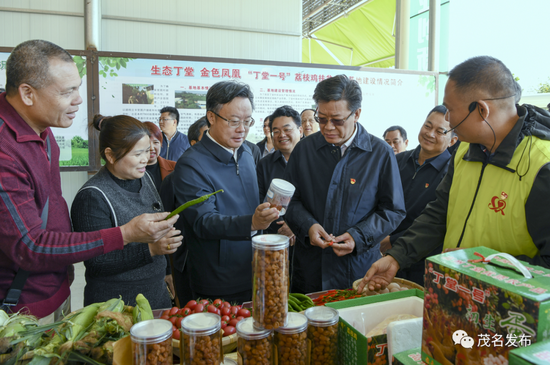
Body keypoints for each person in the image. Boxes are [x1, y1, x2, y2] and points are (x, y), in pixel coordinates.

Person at [0, 40, 178, 320]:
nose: (79, 100)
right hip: (20, 305)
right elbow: (29, 246)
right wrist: (126, 234)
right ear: (27, 93)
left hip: (56, 288)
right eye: (67, 91)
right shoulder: (5, 150)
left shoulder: (43, 133)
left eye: (78, 88)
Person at [358, 56, 550, 294]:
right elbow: (440, 212)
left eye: (450, 110)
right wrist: (397, 256)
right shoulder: (465, 152)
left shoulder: (541, 166)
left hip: (510, 314)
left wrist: (482, 268)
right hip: (457, 297)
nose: (447, 119)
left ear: (481, 109)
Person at [283, 75, 406, 293]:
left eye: (337, 120)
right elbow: (290, 200)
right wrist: (308, 226)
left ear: (356, 114)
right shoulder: (304, 150)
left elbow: (393, 210)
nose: (328, 127)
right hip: (311, 268)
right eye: (321, 119)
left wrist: (358, 236)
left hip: (357, 269)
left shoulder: (379, 153)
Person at [172, 80, 279, 304]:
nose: (242, 129)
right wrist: (252, 222)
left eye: (248, 121)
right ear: (211, 117)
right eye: (233, 121)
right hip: (218, 279)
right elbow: (203, 221)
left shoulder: (248, 152)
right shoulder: (191, 163)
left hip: (256, 269)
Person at [71, 115, 183, 309]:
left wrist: (166, 270)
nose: (146, 159)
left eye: (147, 151)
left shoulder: (145, 177)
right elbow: (96, 263)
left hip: (155, 294)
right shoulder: (92, 196)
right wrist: (151, 250)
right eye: (137, 154)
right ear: (110, 155)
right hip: (116, 304)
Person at [379, 105, 457, 286]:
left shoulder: (451, 172)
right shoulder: (397, 160)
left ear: (452, 141)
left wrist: (393, 241)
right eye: (427, 126)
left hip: (422, 260)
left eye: (440, 131)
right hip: (383, 251)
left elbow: (439, 220)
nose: (430, 134)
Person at [256, 105, 302, 240]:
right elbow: (260, 201)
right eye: (276, 131)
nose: (281, 135)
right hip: (273, 237)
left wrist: (297, 224)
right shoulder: (264, 164)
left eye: (287, 129)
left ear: (300, 130)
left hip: (308, 239)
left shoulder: (314, 161)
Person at [143, 121, 176, 192]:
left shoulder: (175, 167)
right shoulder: (130, 169)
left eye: (156, 142)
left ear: (161, 144)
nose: (152, 148)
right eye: (147, 143)